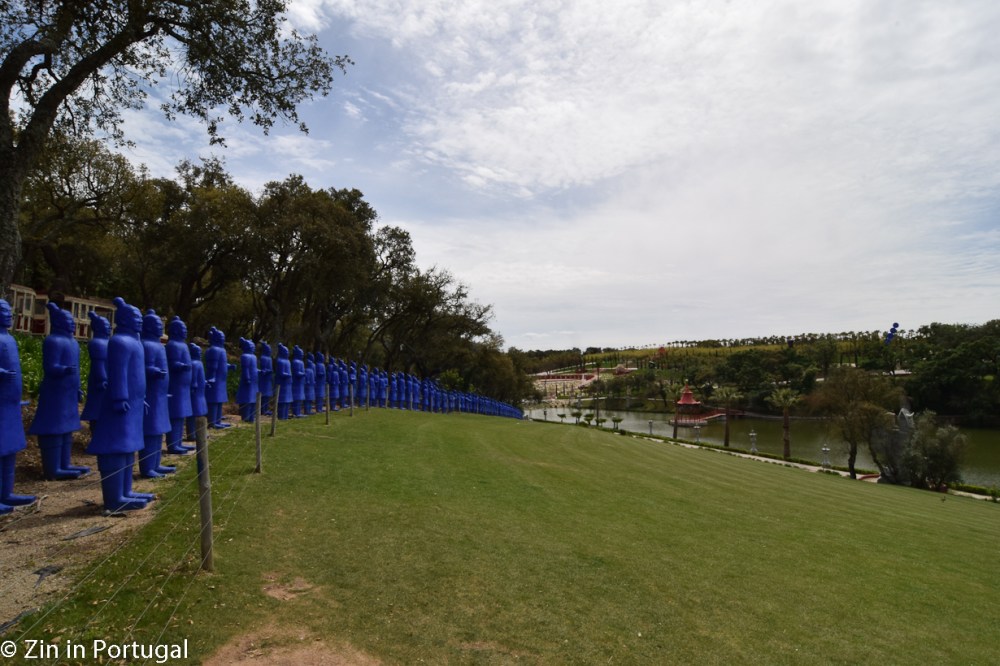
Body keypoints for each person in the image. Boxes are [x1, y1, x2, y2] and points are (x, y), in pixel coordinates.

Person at [86, 298, 153, 512]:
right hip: (120, 406)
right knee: (116, 447)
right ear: (124, 320)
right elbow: (118, 373)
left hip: (133, 405)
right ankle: (114, 498)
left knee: (128, 447)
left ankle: (126, 492)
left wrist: (139, 398)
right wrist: (119, 397)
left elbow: (136, 374)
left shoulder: (135, 342)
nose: (139, 321)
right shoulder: (119, 342)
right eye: (135, 318)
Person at [29, 303, 88, 479]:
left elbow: (76, 369)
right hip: (55, 394)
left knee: (67, 430)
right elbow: (50, 366)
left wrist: (77, 388)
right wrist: (62, 370)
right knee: (54, 428)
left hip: (68, 394)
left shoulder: (74, 343)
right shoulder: (53, 341)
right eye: (68, 321)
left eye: (72, 320)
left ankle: (65, 464)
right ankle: (52, 468)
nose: (73, 323)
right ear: (58, 322)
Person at [0, 299, 36, 513]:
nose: (8, 315)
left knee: (9, 451)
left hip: (10, 405)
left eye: (9, 312)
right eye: (3, 312)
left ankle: (7, 492)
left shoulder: (10, 340)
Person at [139, 310, 174, 477]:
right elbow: (139, 368)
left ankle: (156, 464)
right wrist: (152, 370)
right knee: (151, 431)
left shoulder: (159, 345)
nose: (161, 328)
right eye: (158, 325)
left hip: (159, 396)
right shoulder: (146, 345)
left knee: (158, 431)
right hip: (150, 396)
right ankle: (147, 467)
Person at [165, 317, 194, 454]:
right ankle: (173, 444)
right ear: (176, 331)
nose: (185, 332)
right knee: (176, 415)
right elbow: (172, 364)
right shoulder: (173, 345)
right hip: (175, 387)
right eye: (183, 329)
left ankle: (178, 442)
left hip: (183, 387)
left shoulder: (182, 345)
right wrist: (181, 366)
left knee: (181, 415)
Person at [80, 311, 110, 428]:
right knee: (98, 408)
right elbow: (98, 364)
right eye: (106, 326)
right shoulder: (97, 343)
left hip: (107, 379)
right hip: (100, 381)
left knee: (104, 408)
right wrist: (102, 379)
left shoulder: (108, 343)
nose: (109, 328)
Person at [204, 327, 234, 428]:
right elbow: (212, 365)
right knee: (214, 400)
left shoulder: (221, 350)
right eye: (221, 337)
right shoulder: (214, 350)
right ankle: (212, 422)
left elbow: (222, 364)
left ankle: (218, 419)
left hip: (221, 380)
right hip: (215, 380)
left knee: (219, 400)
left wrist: (229, 366)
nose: (223, 339)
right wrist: (212, 377)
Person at [236, 338, 258, 422]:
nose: (253, 348)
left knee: (253, 400)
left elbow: (254, 368)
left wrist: (259, 372)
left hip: (254, 381)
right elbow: (245, 369)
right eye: (252, 346)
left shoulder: (254, 357)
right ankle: (246, 417)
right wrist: (247, 377)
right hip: (247, 382)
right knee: (247, 399)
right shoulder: (245, 356)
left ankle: (252, 417)